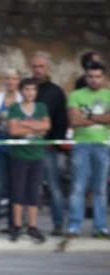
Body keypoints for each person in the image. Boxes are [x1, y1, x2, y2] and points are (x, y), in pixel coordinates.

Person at [66, 61, 110, 239]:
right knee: (78, 187)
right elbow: (74, 121)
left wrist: (89, 116)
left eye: (98, 76)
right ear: (85, 77)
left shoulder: (108, 95)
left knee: (100, 188)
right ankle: (73, 226)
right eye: (91, 76)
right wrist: (102, 119)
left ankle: (100, 227)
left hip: (103, 146)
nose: (94, 80)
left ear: (104, 78)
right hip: (81, 146)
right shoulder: (76, 95)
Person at [7, 78, 50, 243]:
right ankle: (17, 226)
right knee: (18, 191)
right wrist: (35, 125)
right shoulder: (15, 108)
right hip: (19, 155)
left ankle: (32, 226)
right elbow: (13, 130)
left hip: (37, 155)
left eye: (33, 89)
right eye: (26, 89)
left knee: (33, 191)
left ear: (36, 92)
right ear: (21, 91)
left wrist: (24, 123)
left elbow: (46, 127)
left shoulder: (41, 107)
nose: (29, 93)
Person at [30, 55, 69, 236]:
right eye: (35, 66)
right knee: (27, 186)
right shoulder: (27, 88)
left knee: (53, 186)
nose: (38, 70)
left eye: (41, 66)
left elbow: (61, 120)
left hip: (47, 147)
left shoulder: (56, 92)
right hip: (26, 146)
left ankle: (58, 223)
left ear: (48, 68)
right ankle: (26, 224)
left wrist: (53, 142)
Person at [0, 69, 23, 235]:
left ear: (18, 81)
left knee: (15, 186)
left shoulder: (23, 99)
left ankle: (12, 223)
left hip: (17, 146)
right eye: (8, 78)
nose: (10, 81)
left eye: (14, 78)